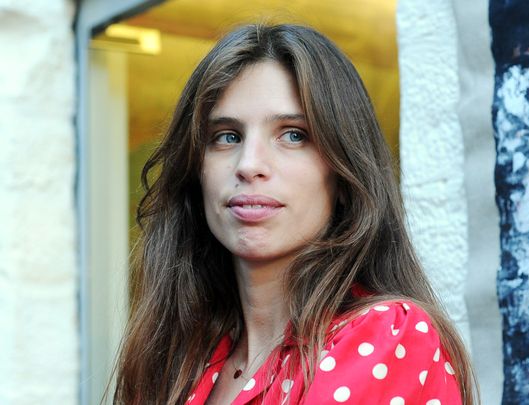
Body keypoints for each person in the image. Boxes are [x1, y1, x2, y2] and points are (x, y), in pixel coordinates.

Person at [112, 23, 477, 404]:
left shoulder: (387, 335)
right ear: (195, 170)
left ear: (342, 171)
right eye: (227, 136)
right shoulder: (185, 362)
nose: (249, 165)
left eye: (293, 135)